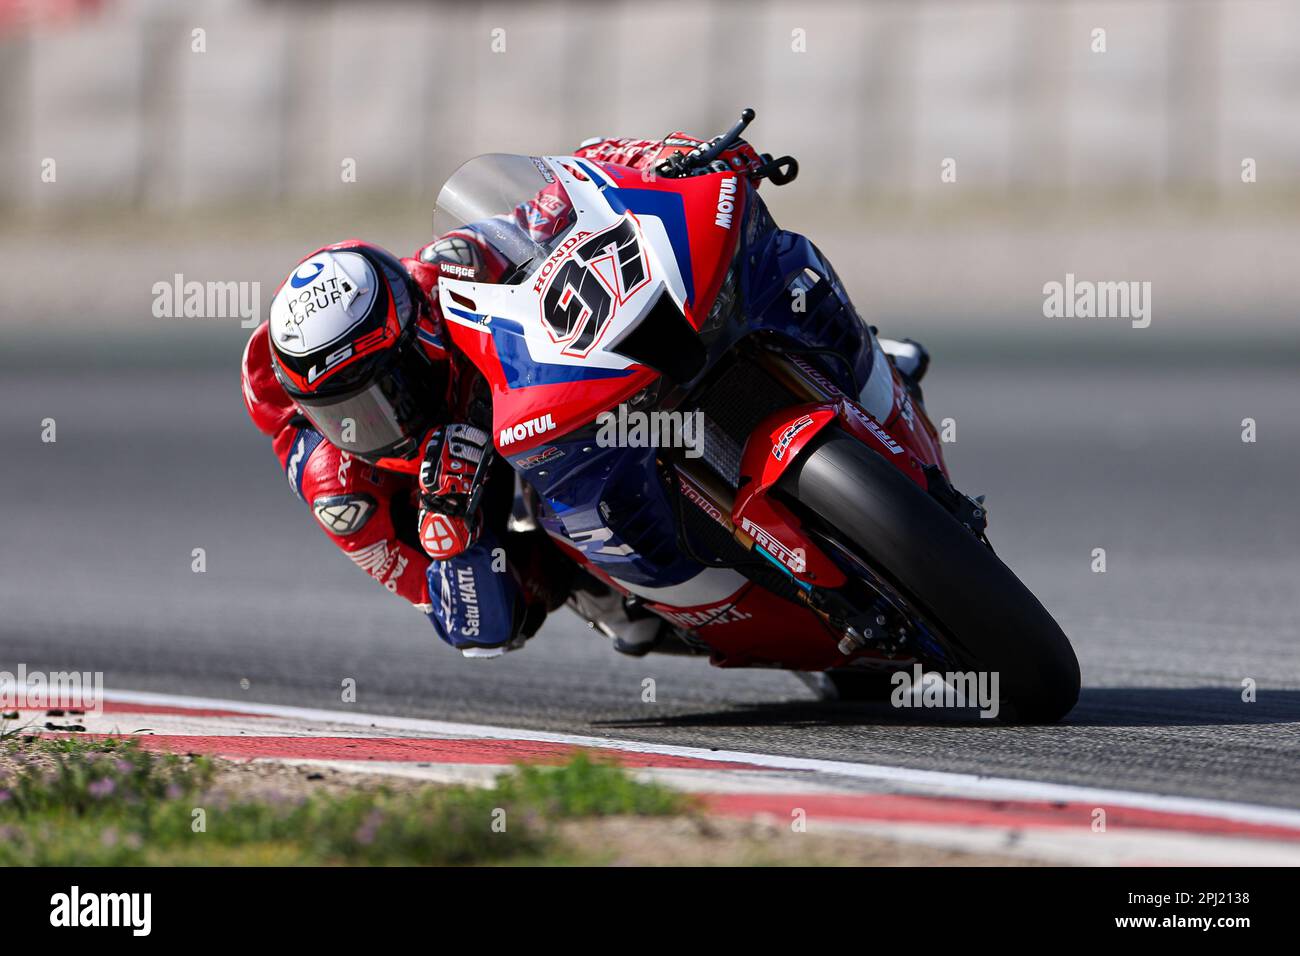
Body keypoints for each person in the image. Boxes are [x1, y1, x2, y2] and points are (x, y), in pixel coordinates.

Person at [240, 131, 929, 658]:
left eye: (386, 391)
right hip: (512, 507)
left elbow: (572, 186)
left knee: (774, 266)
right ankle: (693, 599)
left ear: (417, 332)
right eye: (346, 416)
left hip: (553, 397)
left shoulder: (439, 274)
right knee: (618, 615)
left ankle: (850, 369)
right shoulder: (339, 488)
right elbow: (478, 628)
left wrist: (664, 159)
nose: (378, 423)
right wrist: (452, 532)